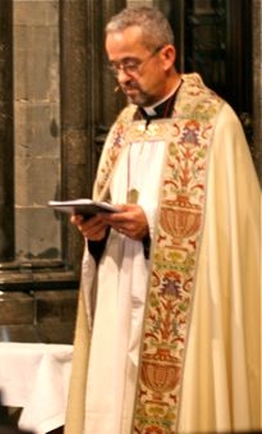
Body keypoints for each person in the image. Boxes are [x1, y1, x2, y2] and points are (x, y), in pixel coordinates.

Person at [65, 7, 260, 434]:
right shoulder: (123, 128)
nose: (122, 78)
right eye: (115, 66)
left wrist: (152, 228)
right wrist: (96, 235)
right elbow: (108, 205)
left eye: (131, 64)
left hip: (186, 322)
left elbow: (232, 241)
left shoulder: (213, 124)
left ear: (166, 55)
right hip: (120, 302)